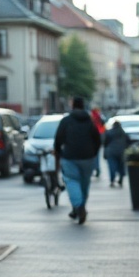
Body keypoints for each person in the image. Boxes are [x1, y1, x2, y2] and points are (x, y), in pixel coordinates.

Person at [54, 96, 101, 225]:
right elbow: (97, 139)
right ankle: (79, 208)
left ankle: (79, 206)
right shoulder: (90, 121)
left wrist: (59, 152)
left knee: (71, 180)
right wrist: (94, 153)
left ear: (73, 105)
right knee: (85, 183)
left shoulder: (66, 121)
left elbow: (58, 138)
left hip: (70, 157)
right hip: (88, 158)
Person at [104, 120, 130, 187]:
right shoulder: (123, 133)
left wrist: (105, 152)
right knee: (121, 166)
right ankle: (121, 178)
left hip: (111, 152)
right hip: (121, 152)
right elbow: (128, 142)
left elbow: (105, 143)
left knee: (112, 167)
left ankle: (112, 180)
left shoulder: (109, 132)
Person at [90, 107, 106, 177]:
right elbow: (103, 126)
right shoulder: (99, 117)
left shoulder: (91, 117)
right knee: (96, 155)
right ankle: (97, 168)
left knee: (92, 156)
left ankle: (93, 169)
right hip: (98, 136)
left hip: (92, 138)